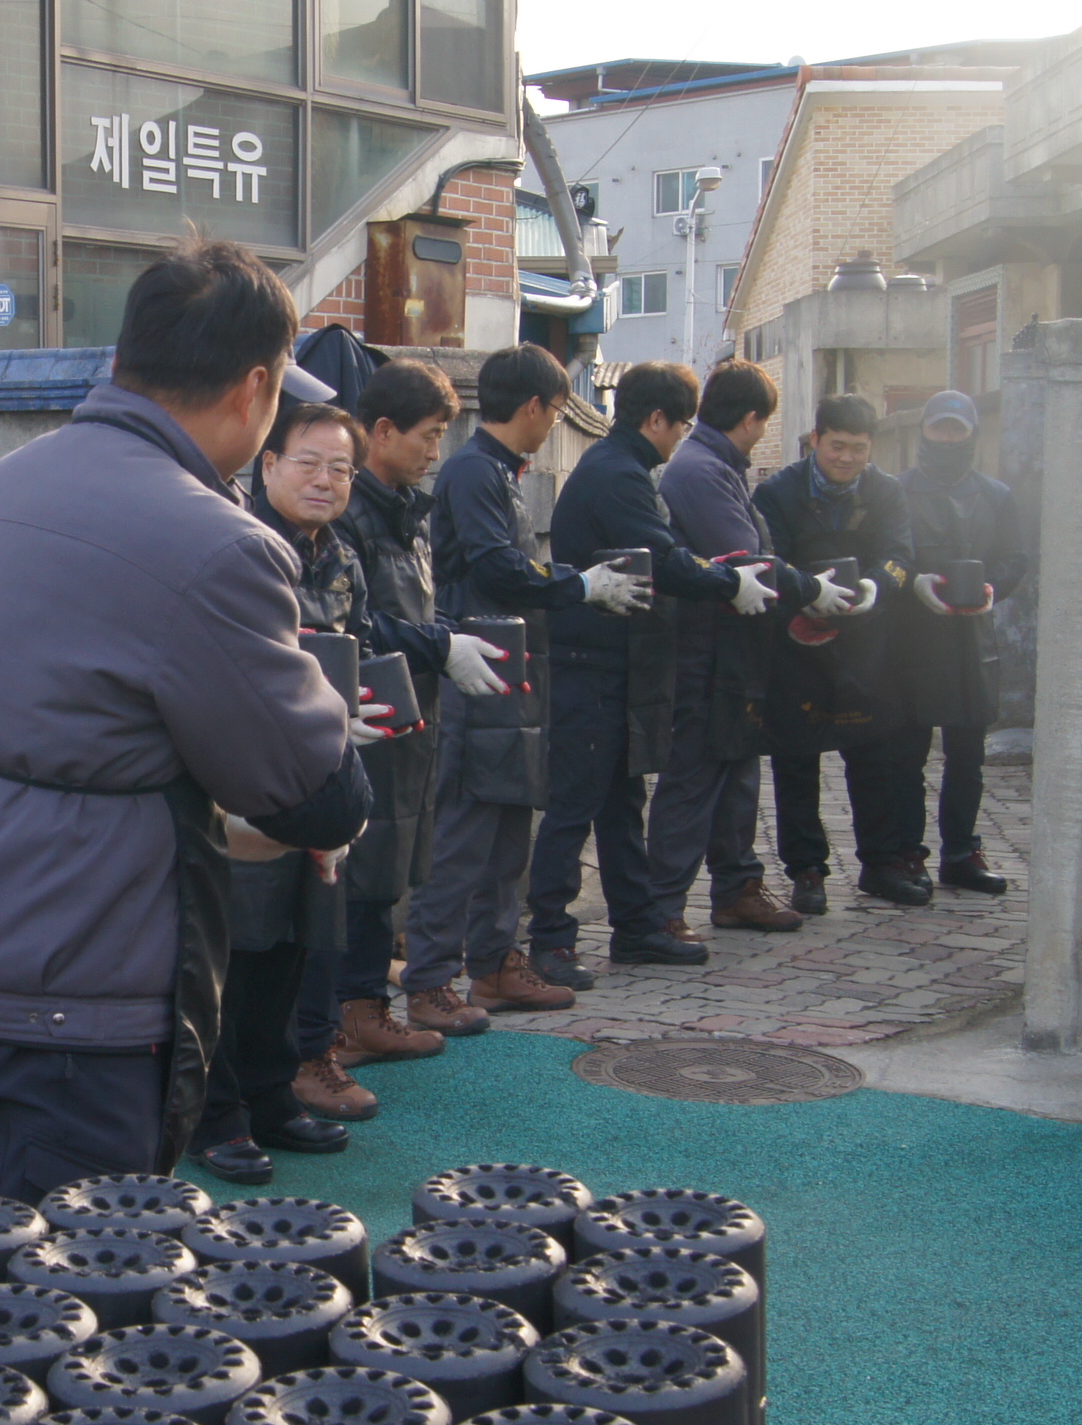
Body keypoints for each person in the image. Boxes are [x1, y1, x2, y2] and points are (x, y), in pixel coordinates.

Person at [0, 241, 374, 1200]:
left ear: (122, 363)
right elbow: (318, 795)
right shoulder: (212, 540)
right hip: (75, 973)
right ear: (253, 389)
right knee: (72, 1285)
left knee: (4, 1235)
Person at [525, 362, 795, 976]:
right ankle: (551, 940)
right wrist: (728, 582)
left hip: (615, 660)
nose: (680, 439)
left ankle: (638, 927)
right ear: (656, 420)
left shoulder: (620, 469)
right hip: (590, 663)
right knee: (575, 808)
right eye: (679, 426)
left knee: (621, 803)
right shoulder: (618, 475)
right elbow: (665, 559)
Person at [197, 395, 389, 1184]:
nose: (325, 480)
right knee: (234, 948)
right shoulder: (238, 544)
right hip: (245, 770)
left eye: (340, 468)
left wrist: (367, 707)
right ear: (266, 463)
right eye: (307, 462)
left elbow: (363, 648)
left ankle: (274, 1093)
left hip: (318, 772)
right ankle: (214, 1113)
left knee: (294, 941)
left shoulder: (341, 554)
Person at [402, 345, 625, 1017]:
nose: (554, 424)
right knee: (466, 830)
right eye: (557, 411)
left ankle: (495, 961)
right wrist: (577, 583)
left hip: (511, 670)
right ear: (534, 406)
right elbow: (496, 568)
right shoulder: (473, 472)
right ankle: (430, 979)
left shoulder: (496, 471)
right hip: (478, 671)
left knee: (507, 829)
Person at [645, 359, 861, 940]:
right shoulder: (700, 471)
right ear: (750, 418)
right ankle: (661, 906)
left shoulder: (719, 465)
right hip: (704, 650)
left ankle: (737, 886)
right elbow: (746, 559)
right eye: (764, 421)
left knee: (738, 772)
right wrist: (809, 588)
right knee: (693, 778)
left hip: (735, 649)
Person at [307, 357, 484, 1062]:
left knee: (395, 857)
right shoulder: (349, 516)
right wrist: (441, 644)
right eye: (429, 435)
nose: (436, 452)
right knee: (362, 863)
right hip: (369, 709)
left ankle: (367, 1003)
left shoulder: (409, 512)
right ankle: (349, 1012)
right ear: (381, 432)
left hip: (411, 711)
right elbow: (364, 622)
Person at [755, 394, 929, 909]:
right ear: (815, 441)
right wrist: (809, 596)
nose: (847, 458)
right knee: (796, 761)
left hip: (866, 642)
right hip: (798, 641)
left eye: (858, 448)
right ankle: (806, 871)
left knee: (875, 755)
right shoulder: (777, 492)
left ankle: (880, 864)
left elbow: (901, 554)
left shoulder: (888, 492)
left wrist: (878, 586)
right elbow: (770, 560)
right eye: (837, 447)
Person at [897, 390, 1033, 894]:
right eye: (940, 428)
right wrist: (916, 583)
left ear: (972, 433)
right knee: (907, 753)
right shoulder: (897, 491)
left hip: (973, 639)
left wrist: (992, 589)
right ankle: (908, 852)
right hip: (912, 637)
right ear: (924, 431)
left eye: (957, 429)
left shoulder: (997, 495)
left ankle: (960, 852)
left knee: (967, 752)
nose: (948, 437)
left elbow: (1015, 558)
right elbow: (887, 554)